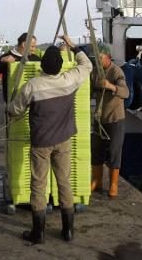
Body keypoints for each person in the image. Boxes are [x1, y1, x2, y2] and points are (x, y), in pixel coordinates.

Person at [7, 35, 92, 244]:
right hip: (63, 141)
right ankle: (68, 231)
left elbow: (14, 111)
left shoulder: (32, 86)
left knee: (38, 184)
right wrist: (72, 45)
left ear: (42, 65)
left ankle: (39, 233)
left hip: (40, 143)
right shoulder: (69, 80)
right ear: (61, 65)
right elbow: (87, 64)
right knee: (64, 183)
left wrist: (9, 107)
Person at [91, 45, 130, 199]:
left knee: (114, 152)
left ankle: (113, 184)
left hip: (115, 119)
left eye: (100, 58)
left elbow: (125, 93)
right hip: (99, 119)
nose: (98, 61)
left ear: (108, 57)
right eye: (96, 59)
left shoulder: (116, 71)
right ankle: (97, 181)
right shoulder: (94, 72)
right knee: (97, 150)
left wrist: (110, 86)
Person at [0, 33, 41, 102]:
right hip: (13, 102)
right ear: (24, 45)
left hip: (32, 102)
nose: (34, 49)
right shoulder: (7, 57)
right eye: (32, 46)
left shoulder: (36, 59)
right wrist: (1, 61)